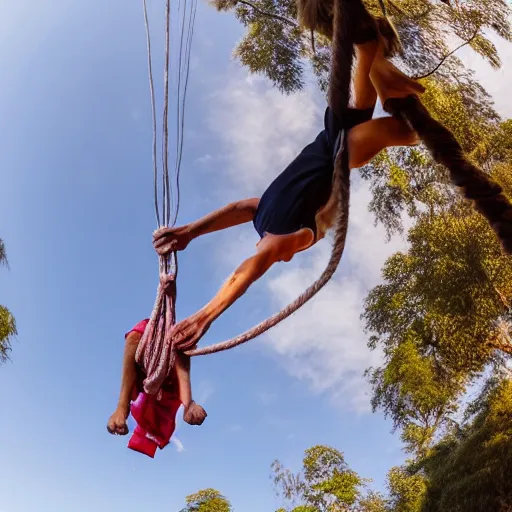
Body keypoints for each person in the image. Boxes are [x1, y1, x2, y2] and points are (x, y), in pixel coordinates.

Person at [152, 13, 425, 353]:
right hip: (338, 147)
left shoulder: (266, 218)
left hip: (333, 142)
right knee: (395, 124)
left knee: (400, 127)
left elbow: (242, 212)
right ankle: (374, 60)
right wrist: (206, 305)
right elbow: (251, 268)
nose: (280, 256)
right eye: (282, 255)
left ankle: (374, 60)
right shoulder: (296, 235)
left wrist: (191, 234)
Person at [107, 318, 206, 438]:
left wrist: (188, 404)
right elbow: (133, 340)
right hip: (145, 372)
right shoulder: (141, 341)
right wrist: (122, 407)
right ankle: (122, 407)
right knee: (135, 336)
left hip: (166, 378)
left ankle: (187, 403)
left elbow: (182, 354)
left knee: (180, 339)